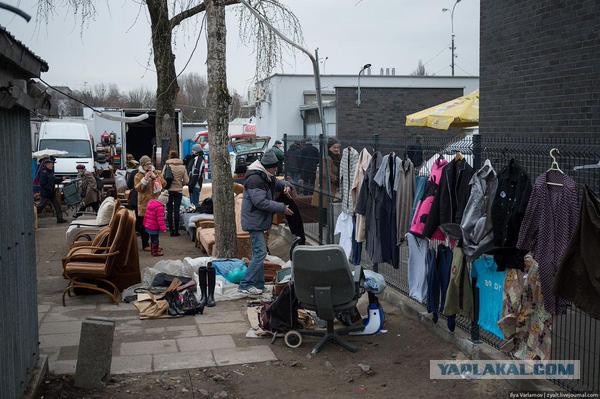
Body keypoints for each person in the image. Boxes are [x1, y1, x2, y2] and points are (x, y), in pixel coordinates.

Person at [239, 149, 293, 295]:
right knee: (260, 253)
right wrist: (282, 208)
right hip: (254, 221)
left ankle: (258, 285)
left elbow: (277, 182)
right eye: (275, 167)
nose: (276, 170)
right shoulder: (256, 179)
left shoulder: (264, 175)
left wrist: (286, 185)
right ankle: (245, 284)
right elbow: (260, 202)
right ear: (269, 166)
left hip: (258, 220)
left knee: (259, 253)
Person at [134, 155, 166, 251]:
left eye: (149, 163)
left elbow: (164, 184)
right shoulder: (138, 175)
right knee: (145, 226)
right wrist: (145, 179)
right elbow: (138, 189)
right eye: (146, 164)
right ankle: (145, 245)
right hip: (144, 204)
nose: (148, 166)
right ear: (142, 165)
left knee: (154, 225)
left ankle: (154, 245)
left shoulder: (156, 172)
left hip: (155, 203)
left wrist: (155, 178)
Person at [163, 150, 189, 236]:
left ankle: (171, 231)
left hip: (169, 191)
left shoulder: (167, 165)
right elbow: (186, 180)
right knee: (177, 210)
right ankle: (177, 231)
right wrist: (181, 184)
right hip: (178, 191)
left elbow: (162, 177)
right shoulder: (183, 167)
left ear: (170, 156)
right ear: (177, 157)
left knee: (169, 210)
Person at [37, 157, 67, 223]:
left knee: (57, 206)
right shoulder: (43, 172)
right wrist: (49, 189)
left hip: (51, 193)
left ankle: (60, 219)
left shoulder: (50, 172)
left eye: (52, 164)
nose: (52, 165)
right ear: (47, 164)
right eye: (51, 164)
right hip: (46, 194)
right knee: (40, 207)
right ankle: (33, 215)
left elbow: (54, 179)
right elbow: (43, 183)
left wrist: (61, 178)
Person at [187, 144, 205, 210]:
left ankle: (196, 215)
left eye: (193, 150)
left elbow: (197, 172)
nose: (192, 151)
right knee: (193, 202)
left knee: (194, 202)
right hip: (193, 182)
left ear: (197, 151)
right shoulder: (195, 158)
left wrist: (192, 183)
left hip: (195, 183)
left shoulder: (199, 159)